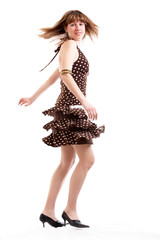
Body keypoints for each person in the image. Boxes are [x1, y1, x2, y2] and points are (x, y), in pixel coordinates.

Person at [18, 10, 105, 228]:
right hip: (70, 109)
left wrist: (32, 97)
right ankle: (70, 210)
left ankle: (48, 211)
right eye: (73, 25)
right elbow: (65, 74)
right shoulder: (69, 46)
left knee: (67, 162)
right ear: (65, 28)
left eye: (81, 24)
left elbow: (51, 78)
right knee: (87, 160)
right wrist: (85, 101)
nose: (78, 28)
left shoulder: (71, 48)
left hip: (66, 108)